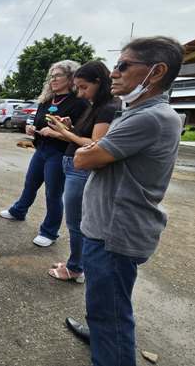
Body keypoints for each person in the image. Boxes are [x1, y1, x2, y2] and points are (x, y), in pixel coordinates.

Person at [71, 36, 183, 366]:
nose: (113, 74)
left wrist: (87, 151)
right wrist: (90, 150)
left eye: (123, 66)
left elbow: (83, 159)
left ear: (157, 71)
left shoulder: (151, 118)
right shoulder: (137, 112)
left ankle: (110, 346)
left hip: (114, 234)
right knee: (106, 302)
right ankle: (102, 333)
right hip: (106, 228)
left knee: (112, 314)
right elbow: (94, 151)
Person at [41, 61, 119, 283]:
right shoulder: (95, 105)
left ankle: (76, 268)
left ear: (99, 82)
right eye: (78, 88)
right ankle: (76, 262)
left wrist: (64, 133)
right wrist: (69, 127)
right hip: (73, 165)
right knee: (76, 222)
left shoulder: (107, 108)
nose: (81, 93)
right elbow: (83, 135)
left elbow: (95, 143)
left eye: (84, 87)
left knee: (77, 224)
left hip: (80, 170)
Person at [0, 60, 87, 247]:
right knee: (30, 184)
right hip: (42, 149)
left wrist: (55, 133)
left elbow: (80, 136)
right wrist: (31, 128)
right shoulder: (47, 100)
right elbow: (38, 121)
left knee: (53, 193)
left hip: (60, 153)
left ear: (70, 78)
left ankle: (50, 232)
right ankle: (18, 211)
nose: (53, 80)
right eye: (51, 76)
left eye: (58, 76)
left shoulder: (79, 103)